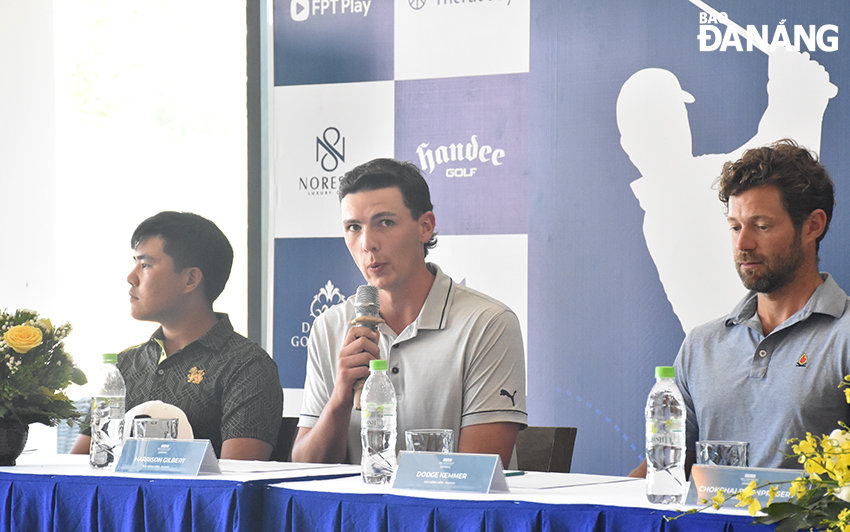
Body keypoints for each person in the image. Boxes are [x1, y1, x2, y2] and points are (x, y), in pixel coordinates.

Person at [290, 158, 527, 468]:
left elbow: (476, 472)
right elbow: (305, 468)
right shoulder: (330, 326)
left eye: (385, 222)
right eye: (353, 228)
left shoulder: (487, 323)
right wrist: (340, 397)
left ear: (425, 226)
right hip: (357, 515)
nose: (368, 243)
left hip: (447, 515)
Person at [630, 139, 847, 476]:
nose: (743, 244)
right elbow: (666, 467)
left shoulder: (844, 337)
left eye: (762, 226)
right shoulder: (701, 345)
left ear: (812, 226)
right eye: (735, 227)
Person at [71, 211, 283, 460]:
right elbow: (79, 467)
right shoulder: (123, 366)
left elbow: (237, 479)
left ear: (190, 279)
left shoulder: (247, 366)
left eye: (145, 265)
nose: (131, 278)